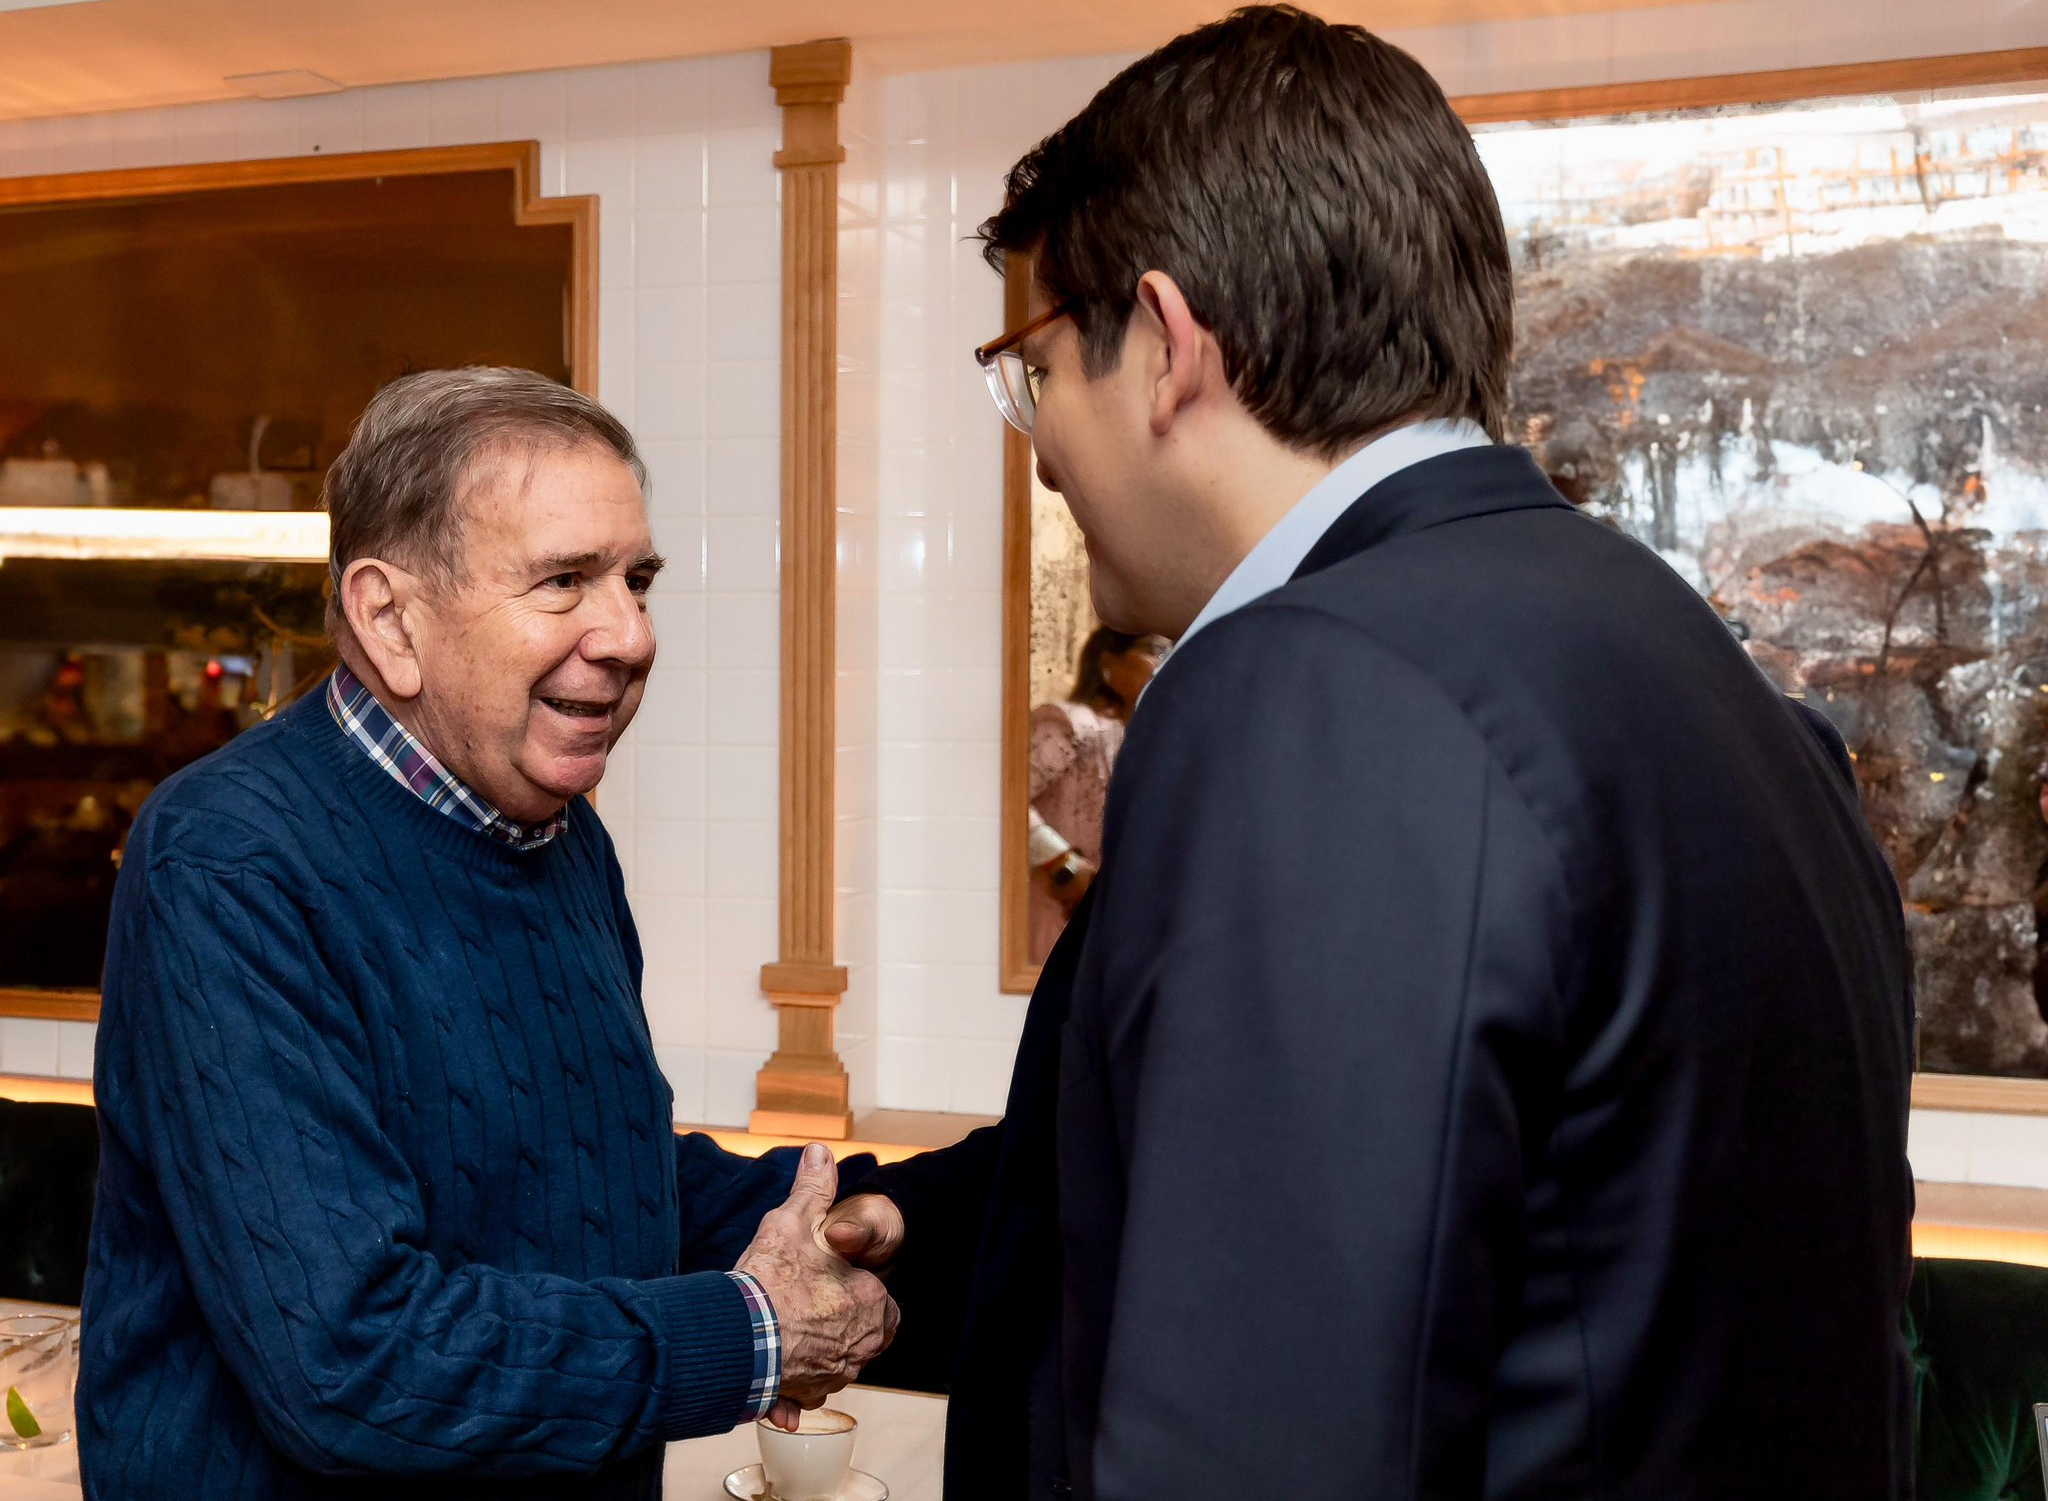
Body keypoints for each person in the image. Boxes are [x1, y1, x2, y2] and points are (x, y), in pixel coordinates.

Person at [827, 9, 1915, 1499]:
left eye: (1035, 373)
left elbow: (1259, 1438)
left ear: (1163, 345)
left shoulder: (1307, 689)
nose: (1038, 446)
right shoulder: (1704, 676)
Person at [78, 368, 896, 1501]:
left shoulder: (558, 835)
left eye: (636, 579)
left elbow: (584, 1174)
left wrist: (850, 1209)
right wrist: (746, 1334)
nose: (631, 633)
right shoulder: (229, 860)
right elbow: (351, 1360)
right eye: (565, 581)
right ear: (389, 617)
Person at [1026, 628, 1168, 959]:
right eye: (1154, 651)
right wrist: (1062, 864)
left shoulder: (1149, 731)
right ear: (1109, 663)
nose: (1164, 662)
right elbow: (1008, 802)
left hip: (1115, 917)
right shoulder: (1067, 722)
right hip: (1059, 907)